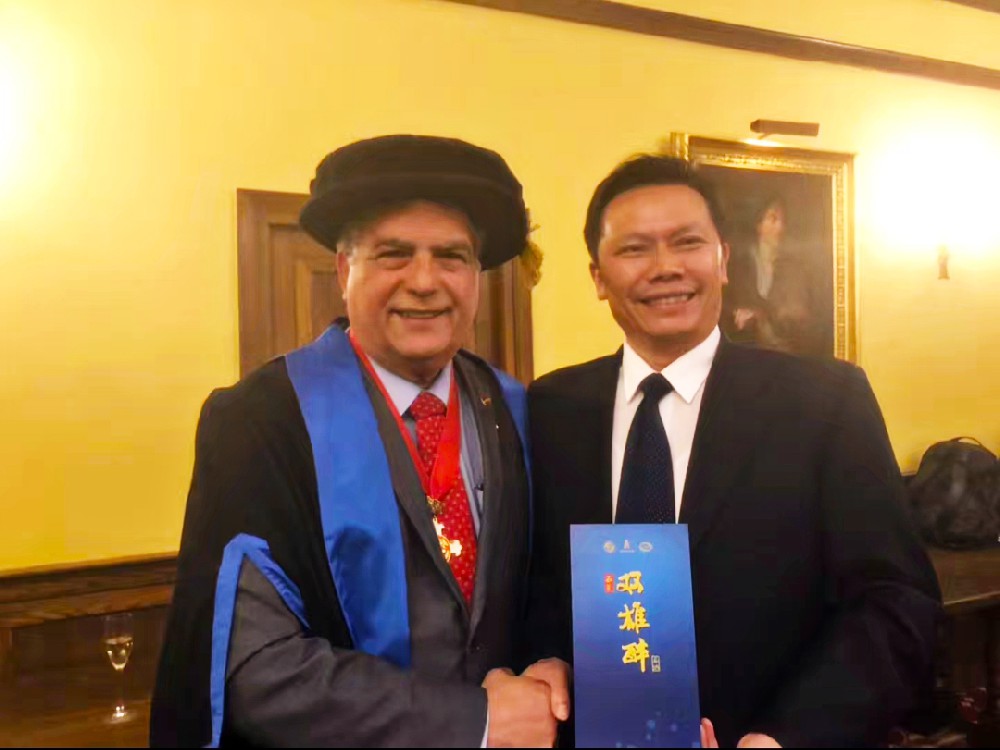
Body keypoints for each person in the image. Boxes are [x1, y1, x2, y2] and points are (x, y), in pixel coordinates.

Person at [150, 134, 570, 748]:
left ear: (476, 277)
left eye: (451, 257)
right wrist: (473, 722)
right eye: (394, 254)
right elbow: (256, 669)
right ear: (345, 271)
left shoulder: (515, 408)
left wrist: (555, 660)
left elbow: (543, 592)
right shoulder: (262, 422)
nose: (424, 282)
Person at [524, 154, 941, 747]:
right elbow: (538, 582)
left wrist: (784, 737)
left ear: (722, 259)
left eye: (687, 242)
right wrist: (544, 659)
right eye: (635, 249)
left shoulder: (824, 401)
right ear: (597, 276)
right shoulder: (551, 407)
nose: (666, 268)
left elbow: (895, 601)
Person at [723, 193, 829, 357]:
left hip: (784, 356)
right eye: (773, 219)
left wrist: (760, 316)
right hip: (744, 355)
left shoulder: (794, 269)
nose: (780, 227)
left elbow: (800, 317)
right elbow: (724, 309)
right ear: (758, 224)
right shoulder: (739, 267)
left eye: (782, 221)